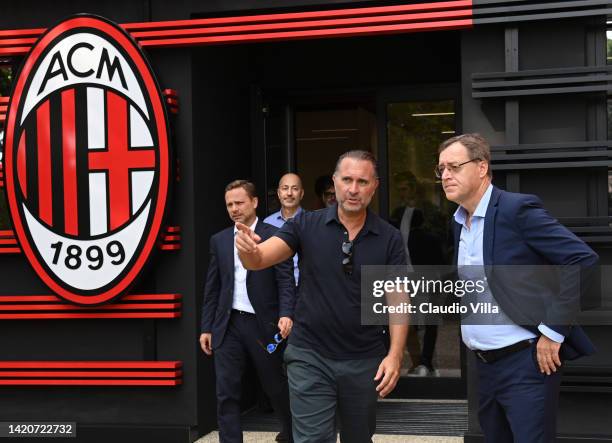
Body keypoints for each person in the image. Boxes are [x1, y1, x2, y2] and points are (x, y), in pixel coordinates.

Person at [235, 151, 408, 443]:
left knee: (358, 438)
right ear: (335, 182)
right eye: (348, 180)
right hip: (309, 355)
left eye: (362, 181)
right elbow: (260, 259)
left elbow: (398, 299)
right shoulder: (305, 225)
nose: (354, 189)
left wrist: (395, 354)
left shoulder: (389, 237)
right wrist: (248, 251)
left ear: (374, 186)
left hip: (364, 359)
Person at [438, 133, 597, 442]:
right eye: (441, 169)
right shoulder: (458, 221)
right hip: (483, 367)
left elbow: (581, 259)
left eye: (454, 167)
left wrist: (553, 331)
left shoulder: (515, 210)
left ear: (481, 168)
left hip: (526, 365)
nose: (445, 176)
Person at [199, 179, 296, 443]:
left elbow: (286, 280)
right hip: (228, 325)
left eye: (239, 202)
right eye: (229, 204)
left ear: (254, 202)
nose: (234, 209)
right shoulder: (219, 241)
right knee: (226, 392)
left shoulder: (275, 234)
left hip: (263, 325)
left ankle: (291, 433)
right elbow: (213, 287)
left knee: (275, 386)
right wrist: (206, 327)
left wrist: (287, 313)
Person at [264, 173, 304, 283]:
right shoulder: (267, 222)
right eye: (285, 188)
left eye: (295, 189)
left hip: (305, 286)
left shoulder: (312, 221)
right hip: (276, 286)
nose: (289, 193)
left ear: (301, 194)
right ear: (278, 193)